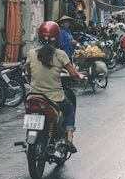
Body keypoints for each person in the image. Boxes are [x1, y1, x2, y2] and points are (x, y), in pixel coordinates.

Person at [26, 21, 85, 152]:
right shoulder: (60, 54)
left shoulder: (31, 53)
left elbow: (28, 71)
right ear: (56, 37)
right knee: (69, 109)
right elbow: (73, 74)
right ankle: (69, 139)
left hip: (33, 96)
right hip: (54, 98)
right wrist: (80, 77)